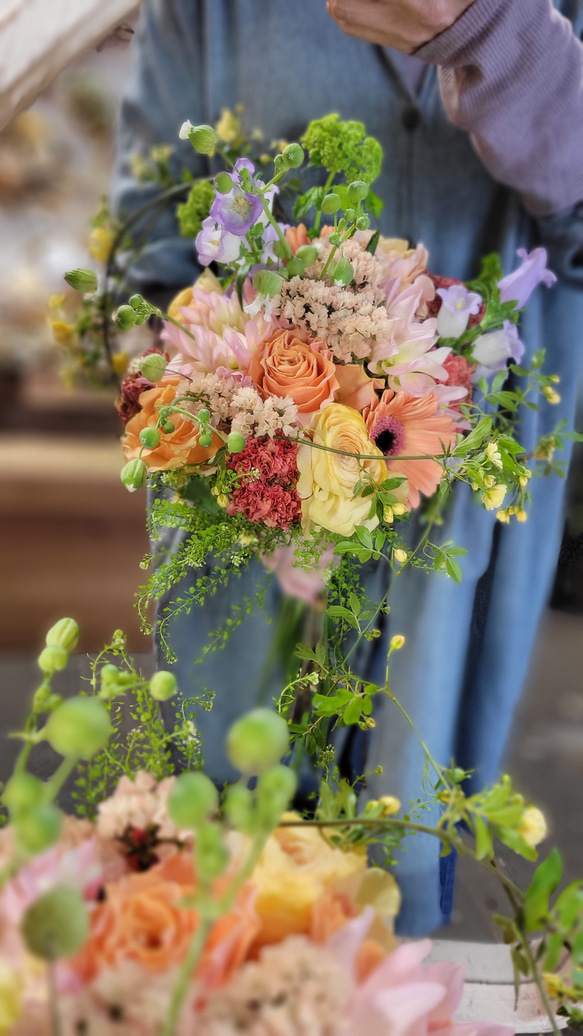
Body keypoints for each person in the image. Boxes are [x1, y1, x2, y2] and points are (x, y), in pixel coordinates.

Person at [112, 0, 583, 933]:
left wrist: (495, 40)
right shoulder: (205, 12)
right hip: (246, 511)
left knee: (394, 858)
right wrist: (251, 399)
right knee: (229, 871)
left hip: (452, 514)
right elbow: (144, 264)